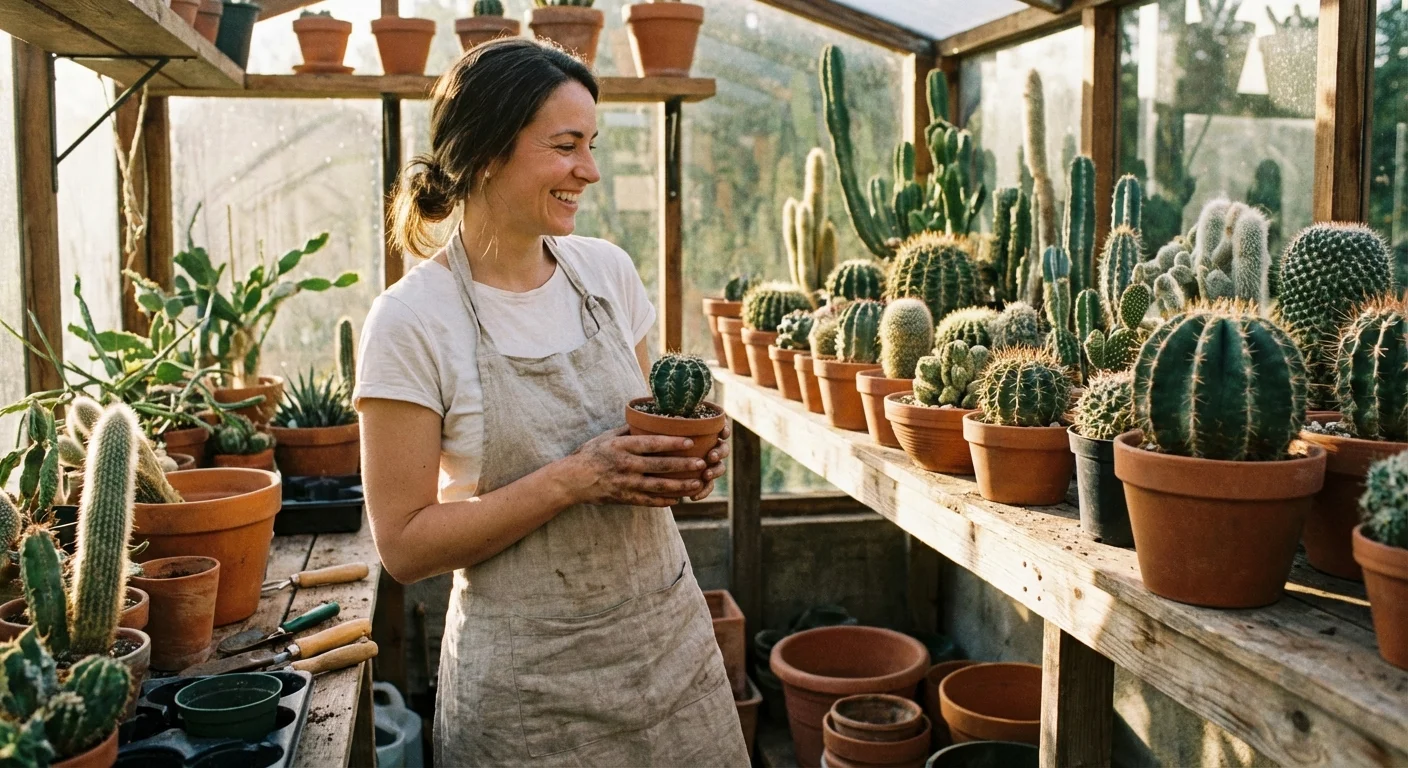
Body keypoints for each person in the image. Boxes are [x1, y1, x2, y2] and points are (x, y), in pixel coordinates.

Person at [354, 38, 750, 766]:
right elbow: (405, 545)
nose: (589, 172)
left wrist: (686, 459)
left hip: (666, 647)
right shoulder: (411, 320)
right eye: (567, 146)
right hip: (525, 694)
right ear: (486, 152)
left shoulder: (605, 272)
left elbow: (648, 429)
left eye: (591, 145)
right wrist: (576, 477)